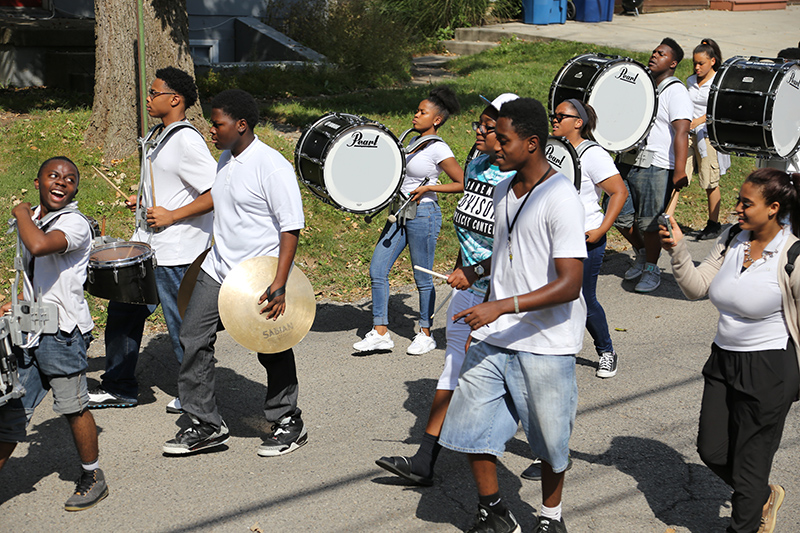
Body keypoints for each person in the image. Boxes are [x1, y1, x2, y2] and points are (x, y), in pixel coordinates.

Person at [439, 98, 587, 533]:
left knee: (550, 444)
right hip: (496, 336)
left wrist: (499, 305)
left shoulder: (561, 199)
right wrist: (476, 270)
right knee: (469, 428)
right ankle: (495, 512)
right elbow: (507, 253)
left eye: (502, 140)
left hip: (545, 343)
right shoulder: (504, 188)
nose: (492, 147)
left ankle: (550, 517)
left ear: (533, 142)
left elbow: (570, 284)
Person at [375, 93, 518, 486]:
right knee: (455, 367)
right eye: (480, 124)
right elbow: (470, 230)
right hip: (470, 291)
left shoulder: (517, 178)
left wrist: (476, 274)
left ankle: (548, 449)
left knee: (517, 379)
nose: (478, 131)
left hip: (503, 298)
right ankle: (424, 461)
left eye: (488, 127)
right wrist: (461, 272)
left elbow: (521, 248)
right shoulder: (476, 162)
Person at [163, 89, 307, 456]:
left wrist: (279, 282)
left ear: (241, 125)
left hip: (259, 274)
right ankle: (207, 424)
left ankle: (287, 419)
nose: (211, 130)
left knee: (270, 345)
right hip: (217, 268)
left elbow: (290, 227)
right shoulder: (225, 160)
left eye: (218, 124)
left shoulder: (271, 166)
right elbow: (219, 200)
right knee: (193, 337)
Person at [660, 167, 800, 533]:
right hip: (723, 360)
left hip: (770, 368)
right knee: (713, 450)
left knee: (751, 465)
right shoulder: (733, 237)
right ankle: (760, 496)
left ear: (772, 208)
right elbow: (696, 287)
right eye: (738, 199)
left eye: (745, 202)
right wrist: (678, 249)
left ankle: (746, 518)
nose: (736, 207)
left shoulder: (793, 255)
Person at [89, 67, 216, 412]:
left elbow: (218, 192)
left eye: (153, 93)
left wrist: (173, 215)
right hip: (147, 248)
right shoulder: (161, 136)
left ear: (174, 99)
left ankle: (196, 398)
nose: (147, 99)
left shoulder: (187, 140)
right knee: (123, 314)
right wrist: (143, 202)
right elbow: (171, 188)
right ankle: (119, 386)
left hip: (177, 253)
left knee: (183, 330)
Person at [0, 157, 109, 511]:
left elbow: (40, 247)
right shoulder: (36, 218)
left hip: (62, 334)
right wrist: (16, 301)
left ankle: (92, 476)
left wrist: (19, 214)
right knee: (11, 409)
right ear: (38, 182)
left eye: (70, 179)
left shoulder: (75, 223)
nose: (62, 182)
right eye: (54, 176)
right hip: (30, 328)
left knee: (73, 407)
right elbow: (36, 272)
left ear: (75, 189)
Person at [353, 86, 463, 356]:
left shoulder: (439, 148)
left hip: (424, 214)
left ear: (436, 120)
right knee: (378, 270)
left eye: (422, 112)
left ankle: (426, 333)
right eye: (416, 110)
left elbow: (462, 183)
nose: (416, 115)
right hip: (400, 212)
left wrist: (428, 188)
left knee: (422, 277)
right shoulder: (410, 143)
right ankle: (380, 333)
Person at [551, 98, 628, 378]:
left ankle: (606, 351)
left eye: (561, 115)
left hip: (585, 238)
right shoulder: (552, 149)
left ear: (578, 122)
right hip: (553, 237)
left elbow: (618, 192)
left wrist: (602, 229)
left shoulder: (592, 154)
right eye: (554, 114)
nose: (555, 119)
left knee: (583, 298)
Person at [615, 37, 692, 293]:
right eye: (654, 51)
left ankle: (651, 268)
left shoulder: (676, 91)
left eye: (661, 53)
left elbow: (682, 131)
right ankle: (640, 253)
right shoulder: (644, 87)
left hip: (657, 164)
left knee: (649, 223)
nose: (654, 55)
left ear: (673, 63)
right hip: (628, 159)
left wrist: (679, 169)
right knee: (618, 213)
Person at [685, 38, 731, 241]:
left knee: (710, 181)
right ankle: (666, 220)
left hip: (707, 137)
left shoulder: (718, 82)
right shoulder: (690, 81)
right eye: (694, 63)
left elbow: (718, 108)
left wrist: (698, 121)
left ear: (712, 61)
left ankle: (713, 224)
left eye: (701, 63)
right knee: (678, 176)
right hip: (688, 135)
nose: (697, 67)